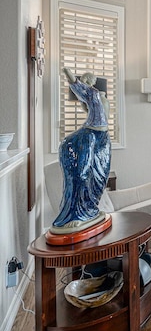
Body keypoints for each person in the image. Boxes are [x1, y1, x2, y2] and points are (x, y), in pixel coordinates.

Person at [50, 68, 111, 234]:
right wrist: (66, 71)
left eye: (85, 80)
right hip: (94, 133)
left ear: (89, 81)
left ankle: (89, 209)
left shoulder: (94, 93)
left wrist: (67, 72)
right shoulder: (94, 95)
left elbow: (75, 84)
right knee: (83, 173)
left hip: (100, 135)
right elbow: (76, 85)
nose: (83, 83)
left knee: (100, 175)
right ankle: (77, 214)